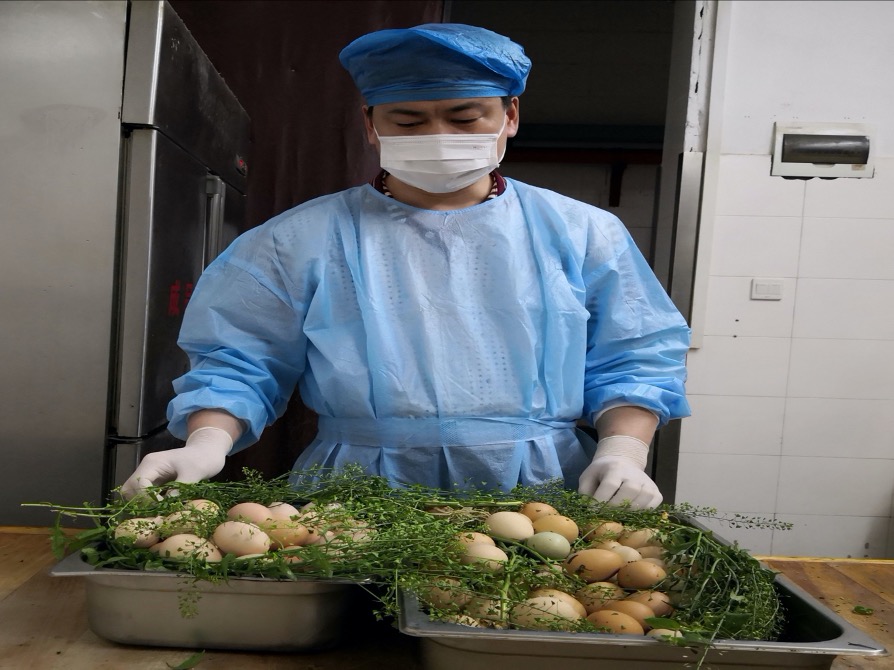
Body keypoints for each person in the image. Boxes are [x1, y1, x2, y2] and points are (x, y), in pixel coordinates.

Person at [121, 24, 690, 509]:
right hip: (355, 491)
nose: (439, 137)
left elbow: (635, 354)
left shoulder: (582, 232)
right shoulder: (298, 239)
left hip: (543, 491)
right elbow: (239, 359)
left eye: (465, 118)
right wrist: (206, 445)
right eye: (409, 122)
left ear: (510, 115)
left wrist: (623, 452)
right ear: (370, 126)